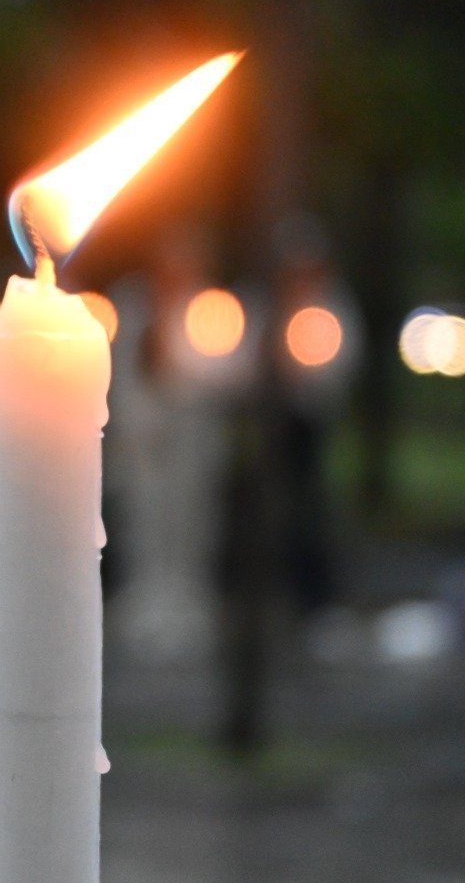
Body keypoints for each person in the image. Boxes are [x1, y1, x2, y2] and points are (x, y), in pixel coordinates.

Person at [108, 229, 249, 664]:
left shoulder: (211, 309)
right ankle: (145, 600)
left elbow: (230, 371)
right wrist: (135, 421)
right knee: (145, 518)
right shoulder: (134, 307)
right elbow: (116, 371)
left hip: (193, 432)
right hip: (145, 438)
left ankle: (189, 605)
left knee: (190, 519)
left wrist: (184, 377)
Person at [268, 218, 364, 625]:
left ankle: (318, 599)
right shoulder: (277, 307)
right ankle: (287, 595)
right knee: (284, 511)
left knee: (314, 511)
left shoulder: (333, 309)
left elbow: (343, 362)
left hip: (316, 423)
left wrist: (307, 373)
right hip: (281, 425)